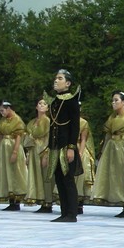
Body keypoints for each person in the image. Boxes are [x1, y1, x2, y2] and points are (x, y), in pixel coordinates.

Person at [91, 91, 124, 217]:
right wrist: (102, 151)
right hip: (111, 147)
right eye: (112, 100)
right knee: (112, 174)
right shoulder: (112, 118)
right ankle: (118, 199)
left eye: (116, 100)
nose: (113, 103)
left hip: (123, 146)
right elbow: (107, 135)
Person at [48, 69, 83, 222]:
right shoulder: (54, 102)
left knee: (67, 179)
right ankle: (64, 212)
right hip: (55, 146)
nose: (56, 81)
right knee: (59, 179)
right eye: (56, 78)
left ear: (67, 83)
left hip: (66, 146)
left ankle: (72, 213)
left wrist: (71, 147)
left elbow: (75, 126)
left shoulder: (71, 101)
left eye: (60, 78)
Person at [0, 100, 28, 210]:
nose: (1, 113)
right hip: (4, 149)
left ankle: (16, 201)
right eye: (0, 111)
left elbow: (19, 137)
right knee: (6, 172)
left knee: (15, 172)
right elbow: (0, 137)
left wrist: (15, 152)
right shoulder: (3, 121)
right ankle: (11, 200)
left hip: (13, 146)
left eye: (2, 110)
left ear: (8, 108)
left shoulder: (17, 120)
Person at [24, 98, 54, 214]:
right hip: (33, 151)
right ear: (36, 107)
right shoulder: (32, 122)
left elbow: (49, 139)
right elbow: (27, 138)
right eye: (39, 103)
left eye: (44, 104)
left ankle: (48, 202)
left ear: (47, 108)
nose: (42, 105)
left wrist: (46, 154)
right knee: (36, 177)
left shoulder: (48, 121)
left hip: (43, 151)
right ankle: (41, 200)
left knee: (45, 177)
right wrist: (28, 155)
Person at [74, 113, 96, 214]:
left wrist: (80, 153)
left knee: (81, 178)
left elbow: (83, 139)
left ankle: (79, 203)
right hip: (67, 149)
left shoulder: (83, 123)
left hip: (79, 149)